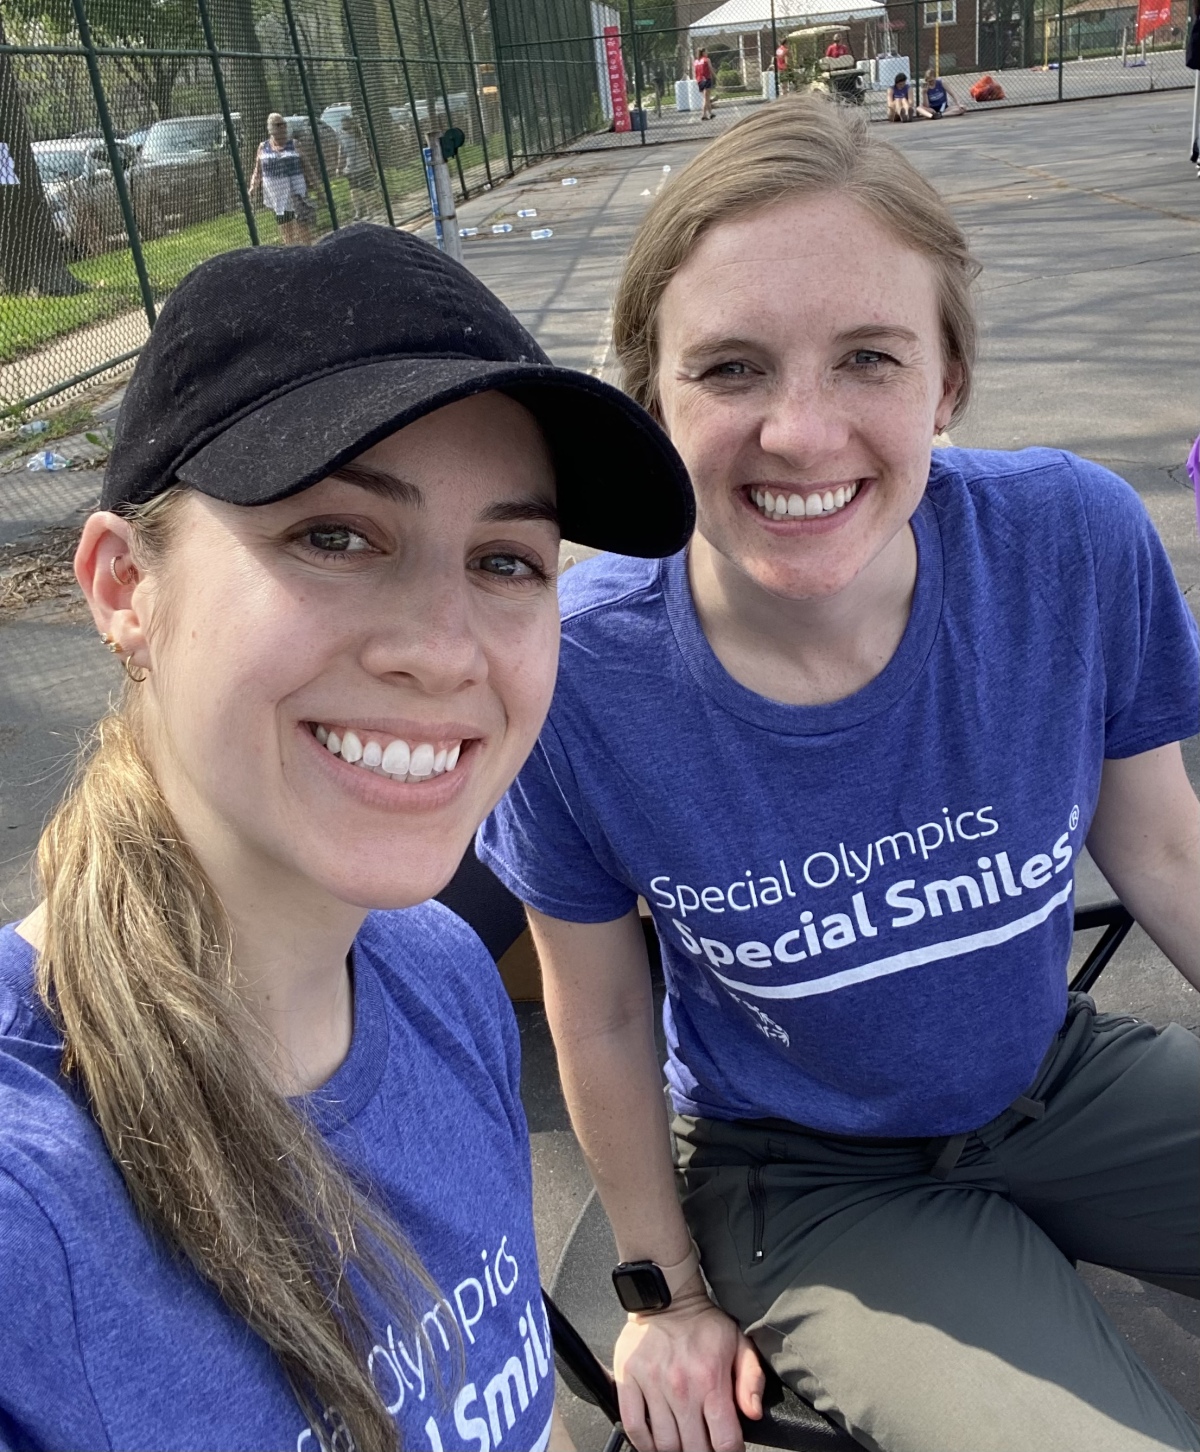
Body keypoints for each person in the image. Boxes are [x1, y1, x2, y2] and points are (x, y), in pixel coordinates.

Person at [479, 97, 1200, 1452]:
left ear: (949, 382)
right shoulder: (581, 679)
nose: (802, 436)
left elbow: (1164, 851)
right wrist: (664, 1291)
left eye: (869, 357)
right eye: (733, 369)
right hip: (803, 1178)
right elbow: (605, 1012)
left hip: (1049, 1079)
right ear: (651, 403)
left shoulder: (1073, 547)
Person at [0, 225, 692, 1452]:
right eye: (334, 535)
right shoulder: (31, 1201)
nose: (441, 647)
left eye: (507, 560)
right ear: (122, 588)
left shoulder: (438, 978)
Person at [249, 112, 318, 245]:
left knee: (301, 221)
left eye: (284, 124)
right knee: (285, 221)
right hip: (277, 195)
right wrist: (253, 186)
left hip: (296, 191)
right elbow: (257, 170)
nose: (283, 127)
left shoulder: (294, 144)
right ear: (270, 128)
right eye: (278, 125)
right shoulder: (263, 147)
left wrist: (317, 186)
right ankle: (290, 249)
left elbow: (307, 167)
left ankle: (308, 249)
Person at [338, 113, 374, 221]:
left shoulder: (359, 135)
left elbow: (367, 150)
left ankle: (370, 211)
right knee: (353, 190)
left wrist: (372, 164)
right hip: (351, 167)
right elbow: (341, 152)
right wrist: (339, 167)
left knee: (366, 189)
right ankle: (358, 211)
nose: (344, 125)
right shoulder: (342, 136)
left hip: (363, 166)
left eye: (346, 122)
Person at [694, 49, 716, 120]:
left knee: (706, 97)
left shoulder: (696, 61)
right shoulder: (706, 60)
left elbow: (695, 72)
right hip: (706, 79)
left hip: (699, 80)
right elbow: (710, 68)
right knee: (706, 98)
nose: (707, 53)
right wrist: (714, 75)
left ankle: (710, 113)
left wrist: (696, 80)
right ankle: (704, 114)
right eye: (706, 51)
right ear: (703, 53)